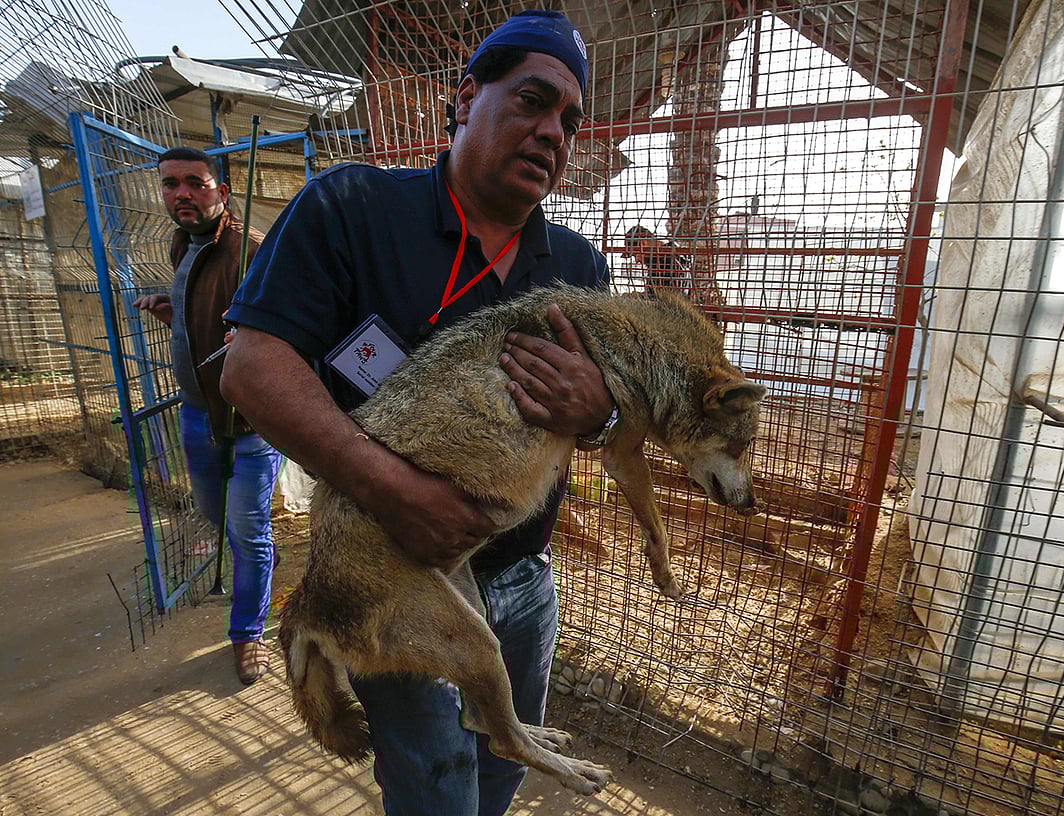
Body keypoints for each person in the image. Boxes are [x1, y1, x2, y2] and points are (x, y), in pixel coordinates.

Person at [219, 10, 616, 815]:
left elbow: (607, 426)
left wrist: (601, 414)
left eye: (569, 121)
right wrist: (398, 494)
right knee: (433, 788)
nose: (552, 132)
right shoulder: (352, 207)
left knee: (504, 767)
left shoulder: (576, 267)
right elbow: (252, 369)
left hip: (526, 582)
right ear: (466, 98)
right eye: (532, 101)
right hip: (395, 571)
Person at [133, 146, 283, 686]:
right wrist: (174, 310)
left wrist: (257, 335)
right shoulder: (184, 244)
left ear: (220, 189)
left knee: (248, 532)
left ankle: (247, 635)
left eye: (195, 183)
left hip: (250, 423)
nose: (182, 194)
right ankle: (255, 570)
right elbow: (206, 312)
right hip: (198, 416)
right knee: (213, 513)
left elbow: (295, 327)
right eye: (171, 185)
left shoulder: (252, 251)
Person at [622, 224, 694, 297]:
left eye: (635, 255)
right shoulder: (677, 257)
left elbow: (662, 301)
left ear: (643, 244)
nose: (636, 260)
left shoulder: (663, 263)